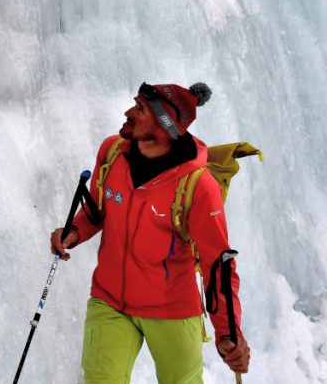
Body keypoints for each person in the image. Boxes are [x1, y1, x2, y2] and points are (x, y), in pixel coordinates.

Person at [49, 82, 250, 383]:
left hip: (172, 311)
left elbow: (217, 264)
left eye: (140, 109)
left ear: (164, 127)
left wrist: (227, 333)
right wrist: (74, 231)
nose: (128, 112)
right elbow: (98, 209)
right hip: (109, 300)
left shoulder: (198, 186)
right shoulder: (112, 153)